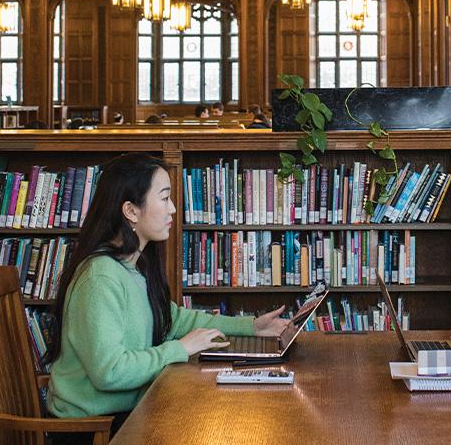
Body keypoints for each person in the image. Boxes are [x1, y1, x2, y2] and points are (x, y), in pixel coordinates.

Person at [45, 153, 289, 441]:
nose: (173, 209)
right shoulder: (100, 277)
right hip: (93, 429)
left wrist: (251, 327)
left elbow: (172, 319)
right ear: (131, 211)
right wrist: (180, 349)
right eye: (164, 198)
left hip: (128, 413)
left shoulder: (133, 265)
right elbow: (109, 372)